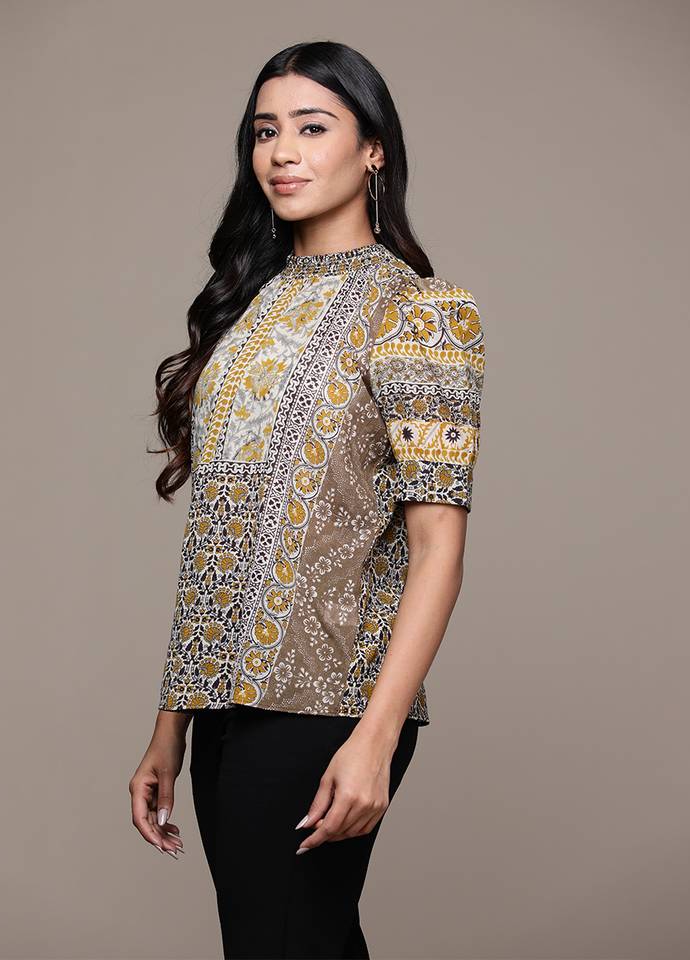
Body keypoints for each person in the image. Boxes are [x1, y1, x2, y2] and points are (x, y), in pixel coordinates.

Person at [129, 40, 486, 960]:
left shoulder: (421, 312)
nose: (282, 151)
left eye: (313, 127)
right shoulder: (245, 309)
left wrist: (377, 737)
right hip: (224, 707)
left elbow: (438, 548)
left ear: (374, 150)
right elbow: (218, 537)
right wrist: (170, 727)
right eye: (265, 131)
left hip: (330, 707)